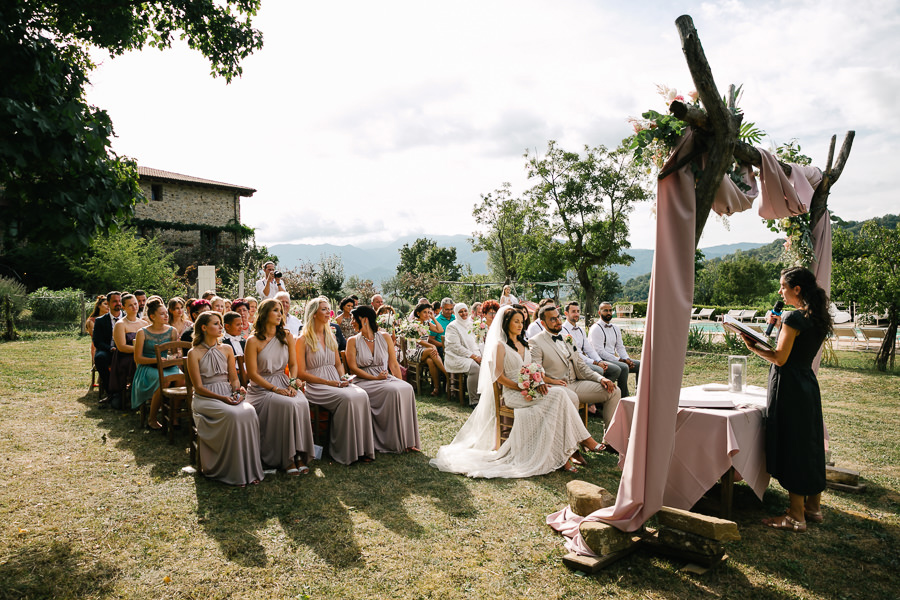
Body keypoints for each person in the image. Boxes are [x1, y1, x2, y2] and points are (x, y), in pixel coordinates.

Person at [430, 305, 605, 478]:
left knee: (560, 396)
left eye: (522, 321)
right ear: (507, 324)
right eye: (516, 321)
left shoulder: (525, 344)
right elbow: (499, 377)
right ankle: (583, 441)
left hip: (529, 390)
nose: (520, 325)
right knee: (559, 395)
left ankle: (564, 454)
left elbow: (535, 369)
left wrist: (542, 382)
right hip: (513, 394)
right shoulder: (500, 346)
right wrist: (522, 386)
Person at [741, 266, 832, 532]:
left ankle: (795, 517)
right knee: (809, 444)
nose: (780, 291)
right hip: (807, 384)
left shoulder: (794, 318)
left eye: (783, 286)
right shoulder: (816, 316)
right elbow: (798, 346)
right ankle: (813, 508)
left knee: (793, 445)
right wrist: (782, 326)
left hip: (789, 385)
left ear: (797, 289)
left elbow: (780, 358)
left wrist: (753, 347)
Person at [188, 311, 264, 486]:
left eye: (221, 323)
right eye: (216, 323)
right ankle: (231, 470)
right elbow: (198, 387)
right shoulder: (194, 353)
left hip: (227, 393)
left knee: (250, 412)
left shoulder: (227, 348)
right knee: (233, 415)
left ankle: (249, 468)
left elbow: (234, 378)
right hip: (205, 397)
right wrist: (223, 398)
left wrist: (237, 391)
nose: (221, 327)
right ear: (204, 327)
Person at [297, 297, 375, 465]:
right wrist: (329, 383)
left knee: (361, 394)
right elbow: (301, 373)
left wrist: (344, 378)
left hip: (335, 380)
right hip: (316, 385)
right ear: (313, 314)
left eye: (328, 309)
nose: (328, 312)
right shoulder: (302, 340)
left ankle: (361, 449)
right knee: (347, 399)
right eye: (323, 309)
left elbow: (338, 364)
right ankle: (342, 450)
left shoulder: (330, 335)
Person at [245, 299, 315, 475]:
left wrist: (292, 382)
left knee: (302, 402)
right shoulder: (253, 341)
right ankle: (286, 458)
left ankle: (299, 454)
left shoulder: (286, 335)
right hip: (261, 388)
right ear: (264, 314)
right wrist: (275, 389)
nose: (279, 314)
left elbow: (293, 365)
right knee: (288, 405)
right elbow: (252, 374)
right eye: (275, 310)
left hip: (283, 381)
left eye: (280, 311)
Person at [529, 305, 621, 428]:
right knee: (572, 398)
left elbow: (581, 366)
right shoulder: (535, 342)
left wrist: (601, 378)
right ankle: (575, 443)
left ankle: (610, 440)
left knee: (614, 391)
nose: (558, 322)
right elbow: (536, 373)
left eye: (558, 317)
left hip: (577, 384)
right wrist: (551, 381)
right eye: (553, 319)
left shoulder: (568, 339)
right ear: (543, 323)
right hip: (557, 387)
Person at [346, 305, 421, 453]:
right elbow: (353, 369)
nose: (351, 322)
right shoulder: (352, 341)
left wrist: (401, 381)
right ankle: (391, 441)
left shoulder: (385, 337)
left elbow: (393, 363)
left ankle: (407, 440)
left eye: (354, 319)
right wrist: (374, 377)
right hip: (363, 380)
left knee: (406, 388)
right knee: (392, 391)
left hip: (384, 378)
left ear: (364, 320)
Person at [134, 299, 183, 427]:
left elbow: (174, 352)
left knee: (182, 379)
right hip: (147, 366)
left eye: (166, 313)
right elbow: (138, 358)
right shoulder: (142, 332)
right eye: (162, 314)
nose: (166, 316)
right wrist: (156, 360)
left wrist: (175, 356)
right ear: (152, 316)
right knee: (165, 379)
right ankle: (152, 417)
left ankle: (174, 414)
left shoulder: (172, 331)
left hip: (168, 365)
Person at [588, 301, 640, 397]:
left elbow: (620, 347)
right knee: (623, 367)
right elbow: (599, 351)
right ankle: (624, 398)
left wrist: (627, 359)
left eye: (610, 310)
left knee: (640, 364)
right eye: (605, 310)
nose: (608, 313)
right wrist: (620, 360)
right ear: (599, 313)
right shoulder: (596, 328)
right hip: (601, 360)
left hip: (614, 359)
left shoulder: (615, 328)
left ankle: (640, 396)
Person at [562, 301, 619, 381]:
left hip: (585, 361)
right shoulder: (562, 331)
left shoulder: (581, 330)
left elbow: (589, 349)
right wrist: (594, 362)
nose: (576, 314)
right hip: (575, 363)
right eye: (573, 312)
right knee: (599, 370)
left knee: (615, 369)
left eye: (578, 311)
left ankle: (606, 391)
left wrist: (599, 361)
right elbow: (575, 354)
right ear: (566, 313)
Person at [108, 294, 145, 409]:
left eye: (135, 304)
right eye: (130, 305)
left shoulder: (144, 323)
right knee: (137, 364)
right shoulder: (120, 324)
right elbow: (122, 347)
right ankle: (135, 396)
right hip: (125, 357)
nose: (134, 307)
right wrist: (139, 351)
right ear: (123, 307)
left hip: (141, 355)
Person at [443, 303, 482, 405]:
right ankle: (474, 401)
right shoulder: (452, 327)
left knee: (488, 364)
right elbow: (456, 347)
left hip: (471, 355)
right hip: (455, 357)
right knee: (475, 368)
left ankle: (484, 397)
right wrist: (474, 356)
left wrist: (480, 355)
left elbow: (476, 342)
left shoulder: (470, 324)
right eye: (460, 311)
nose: (464, 313)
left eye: (465, 311)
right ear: (456, 313)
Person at [407, 303, 448, 397]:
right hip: (413, 352)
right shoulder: (413, 324)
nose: (427, 314)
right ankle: (446, 374)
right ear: (418, 313)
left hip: (425, 351)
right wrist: (432, 346)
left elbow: (440, 330)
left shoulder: (427, 323)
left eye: (428, 312)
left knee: (431, 361)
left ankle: (436, 388)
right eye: (424, 312)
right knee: (431, 350)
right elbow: (417, 340)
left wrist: (433, 318)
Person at [92, 291, 123, 402]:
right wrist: (110, 348)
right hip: (108, 350)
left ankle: (127, 392)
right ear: (108, 303)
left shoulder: (127, 318)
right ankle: (111, 392)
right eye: (115, 301)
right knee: (99, 358)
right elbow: (97, 341)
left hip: (125, 350)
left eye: (119, 301)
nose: (118, 303)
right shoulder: (100, 321)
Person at [86, 295, 109, 360]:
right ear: (99, 305)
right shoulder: (91, 320)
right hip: (97, 347)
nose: (108, 306)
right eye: (105, 304)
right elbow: (95, 336)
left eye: (108, 304)